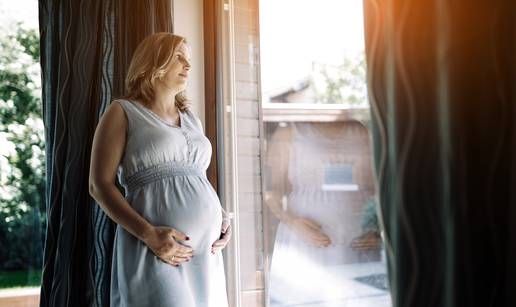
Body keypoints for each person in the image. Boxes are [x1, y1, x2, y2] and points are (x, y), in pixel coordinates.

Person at [89, 32, 232, 307]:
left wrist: (221, 216)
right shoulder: (123, 111)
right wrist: (149, 235)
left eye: (188, 59)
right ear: (152, 64)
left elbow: (196, 177)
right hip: (155, 248)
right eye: (178, 58)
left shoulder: (191, 119)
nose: (188, 66)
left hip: (205, 251)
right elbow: (99, 185)